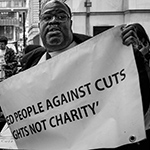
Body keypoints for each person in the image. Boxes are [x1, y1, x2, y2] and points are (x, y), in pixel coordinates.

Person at [19, 0, 150, 149]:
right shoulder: (30, 65)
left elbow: (135, 98)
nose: (54, 21)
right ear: (39, 25)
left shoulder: (105, 53)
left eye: (61, 16)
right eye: (47, 17)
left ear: (70, 23)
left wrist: (130, 56)